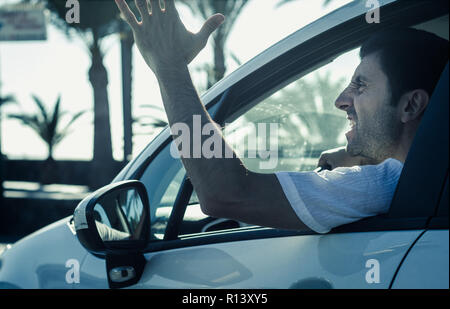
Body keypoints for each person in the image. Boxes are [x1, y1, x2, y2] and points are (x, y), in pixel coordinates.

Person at [115, 0, 448, 234]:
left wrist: (170, 67)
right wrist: (357, 156)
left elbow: (225, 192)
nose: (340, 100)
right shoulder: (420, 182)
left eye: (360, 86)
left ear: (410, 106)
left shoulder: (382, 186)